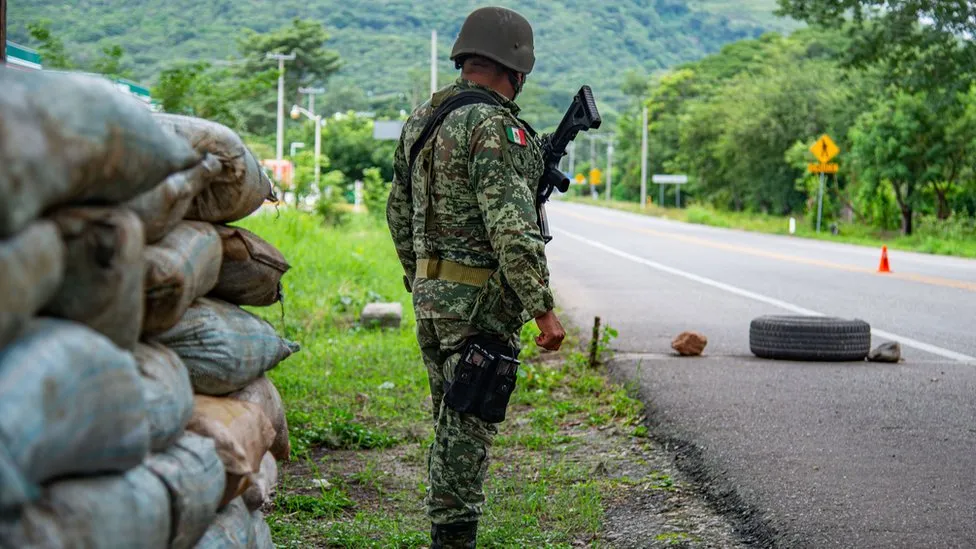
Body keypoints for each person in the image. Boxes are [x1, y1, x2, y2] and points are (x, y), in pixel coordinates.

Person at [386, 5, 566, 548]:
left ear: (467, 56)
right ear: (515, 68)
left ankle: (448, 530)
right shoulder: (493, 125)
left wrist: (418, 277)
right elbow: (513, 228)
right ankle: (452, 538)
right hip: (480, 305)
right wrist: (543, 308)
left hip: (431, 296)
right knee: (467, 430)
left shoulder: (424, 117)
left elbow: (397, 209)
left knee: (451, 419)